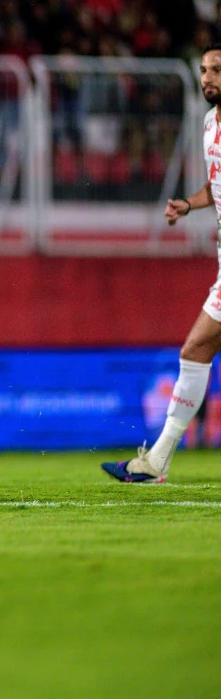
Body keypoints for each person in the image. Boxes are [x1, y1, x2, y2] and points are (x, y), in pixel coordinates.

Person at [104, 43, 221, 483]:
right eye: (205, 70)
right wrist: (187, 206)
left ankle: (156, 462)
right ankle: (156, 462)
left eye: (217, 70)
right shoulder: (210, 124)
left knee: (194, 350)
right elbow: (215, 187)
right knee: (195, 351)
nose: (208, 77)